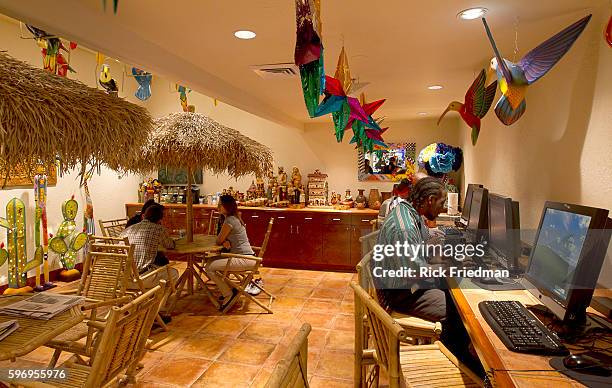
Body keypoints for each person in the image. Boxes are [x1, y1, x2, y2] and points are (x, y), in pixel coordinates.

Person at [373, 177, 483, 375]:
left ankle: (456, 360)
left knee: (453, 292)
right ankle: (460, 367)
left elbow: (421, 247)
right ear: (430, 200)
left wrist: (447, 259)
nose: (442, 209)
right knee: (458, 312)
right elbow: (413, 272)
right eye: (442, 203)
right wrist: (448, 269)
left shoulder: (408, 211)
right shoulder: (405, 228)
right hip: (401, 294)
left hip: (408, 284)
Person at [120, 204, 179, 320]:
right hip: (142, 278)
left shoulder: (127, 230)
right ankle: (157, 311)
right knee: (173, 274)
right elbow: (170, 245)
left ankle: (142, 304)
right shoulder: (159, 229)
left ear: (143, 216)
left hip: (122, 278)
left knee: (156, 270)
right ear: (160, 219)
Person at [206, 195, 256, 310]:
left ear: (227, 206)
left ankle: (228, 294)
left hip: (244, 259)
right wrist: (225, 241)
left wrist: (223, 241)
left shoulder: (229, 220)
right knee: (211, 262)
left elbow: (218, 240)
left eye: (220, 204)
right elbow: (222, 240)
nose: (218, 206)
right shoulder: (235, 217)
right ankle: (230, 289)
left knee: (209, 267)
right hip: (247, 257)